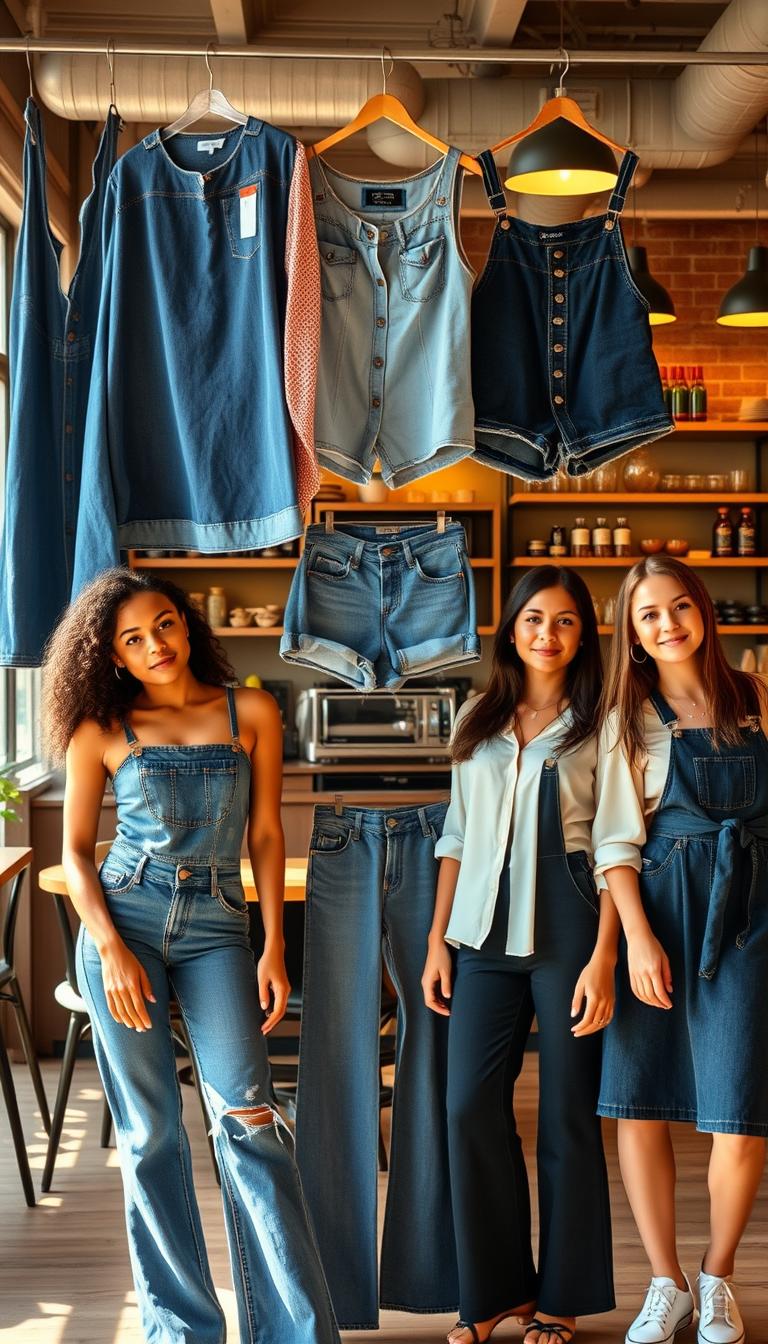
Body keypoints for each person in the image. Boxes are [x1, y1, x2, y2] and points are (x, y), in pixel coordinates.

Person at [43, 568, 339, 1344]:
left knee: (250, 1119)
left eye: (165, 624)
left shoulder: (251, 711)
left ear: (188, 623)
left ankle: (297, 1332)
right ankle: (180, 1330)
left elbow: (268, 834)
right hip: (124, 919)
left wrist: (275, 946)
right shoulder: (100, 730)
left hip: (217, 926)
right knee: (150, 1133)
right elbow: (76, 855)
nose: (156, 646)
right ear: (111, 655)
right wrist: (110, 948)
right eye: (133, 639)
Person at [422, 567, 616, 1344]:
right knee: (467, 1107)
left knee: (567, 1116)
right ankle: (496, 1290)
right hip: (479, 937)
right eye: (534, 618)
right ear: (511, 627)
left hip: (569, 926)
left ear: (582, 635)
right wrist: (438, 939)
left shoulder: (605, 718)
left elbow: (615, 843)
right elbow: (457, 837)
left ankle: (562, 1296)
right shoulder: (479, 715)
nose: (547, 633)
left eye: (564, 621)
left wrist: (605, 956)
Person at [593, 555, 768, 1344]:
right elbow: (615, 846)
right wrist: (634, 941)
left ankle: (717, 1276)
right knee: (643, 1097)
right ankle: (665, 1283)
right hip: (661, 910)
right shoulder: (628, 721)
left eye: (679, 607)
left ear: (704, 611)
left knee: (741, 1110)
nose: (668, 625)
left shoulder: (756, 697)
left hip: (751, 912)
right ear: (631, 635)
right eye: (649, 615)